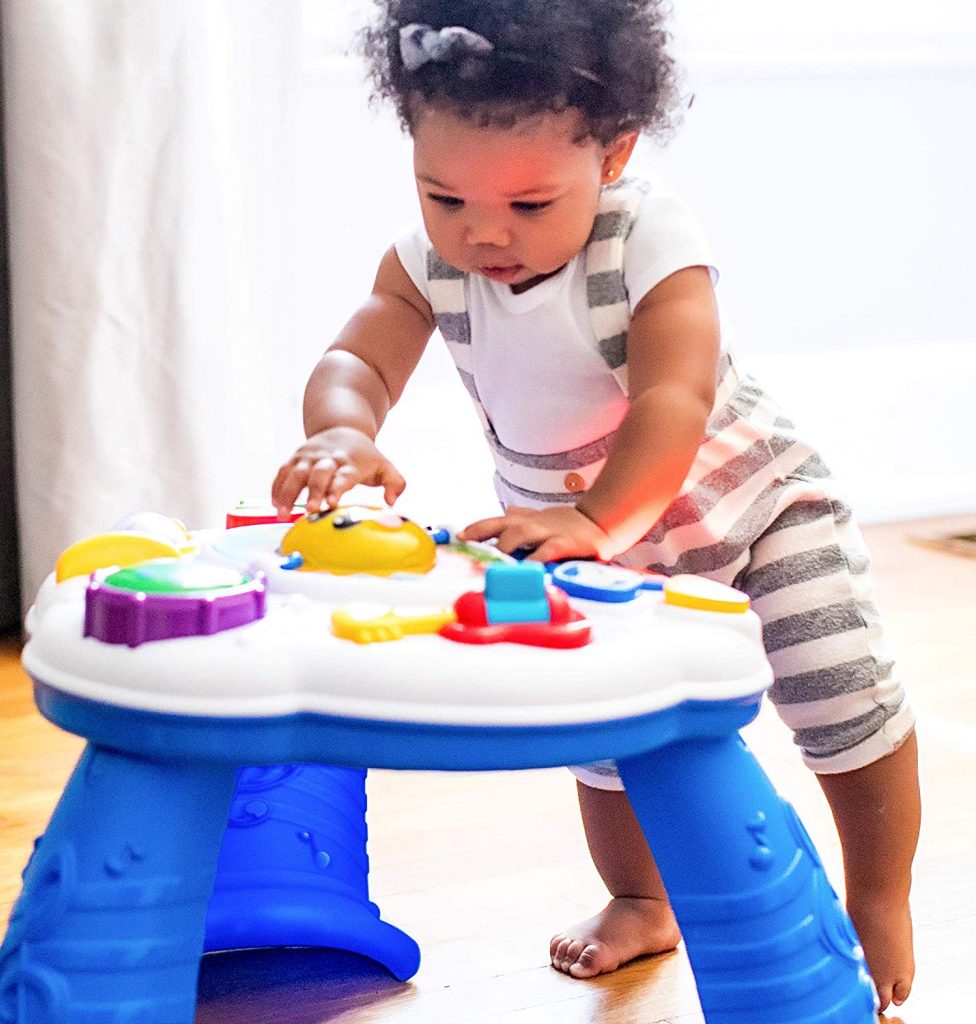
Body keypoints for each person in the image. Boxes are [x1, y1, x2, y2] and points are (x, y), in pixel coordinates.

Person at [271, 1, 920, 1011]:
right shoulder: (424, 261)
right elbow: (358, 356)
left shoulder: (647, 236)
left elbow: (673, 397)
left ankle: (878, 894)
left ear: (612, 154)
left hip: (744, 507)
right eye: (443, 196)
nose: (483, 232)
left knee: (838, 690)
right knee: (610, 738)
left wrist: (599, 517)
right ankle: (637, 898)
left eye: (529, 206)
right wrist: (342, 430)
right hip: (585, 543)